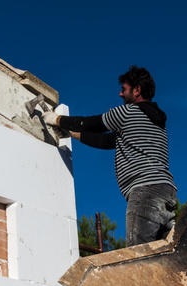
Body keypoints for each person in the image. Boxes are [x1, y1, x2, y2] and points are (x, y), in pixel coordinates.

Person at [42, 66, 177, 247]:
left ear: (137, 90)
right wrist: (71, 133)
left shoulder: (127, 113)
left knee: (138, 255)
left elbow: (91, 123)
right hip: (166, 194)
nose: (120, 94)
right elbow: (107, 141)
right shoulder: (154, 122)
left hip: (145, 192)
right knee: (163, 255)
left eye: (124, 90)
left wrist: (56, 119)